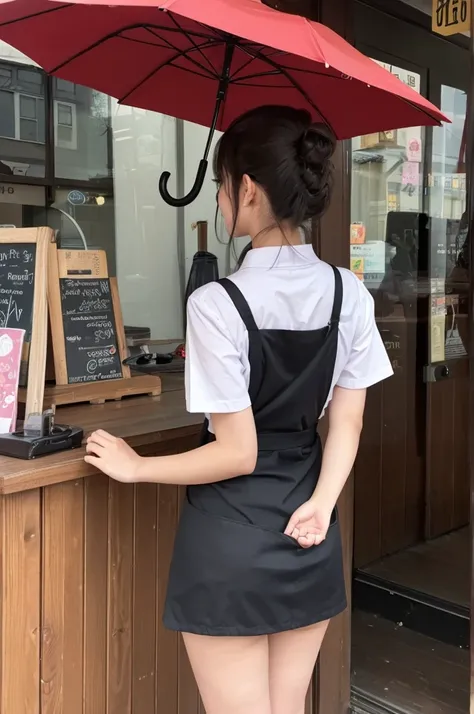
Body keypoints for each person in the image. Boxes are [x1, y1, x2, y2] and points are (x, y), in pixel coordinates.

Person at [85, 105, 393, 714]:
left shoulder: (217, 303)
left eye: (224, 185)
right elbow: (347, 422)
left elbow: (237, 451)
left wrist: (137, 465)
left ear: (247, 190)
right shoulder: (349, 294)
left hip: (231, 536)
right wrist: (320, 508)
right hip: (309, 530)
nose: (221, 200)